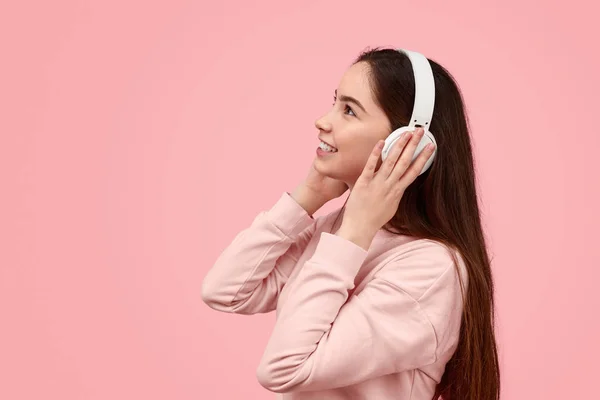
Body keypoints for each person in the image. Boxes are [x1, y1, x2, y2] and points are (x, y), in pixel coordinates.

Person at [201, 47, 500, 400]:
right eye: (334, 102)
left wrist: (355, 231)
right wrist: (308, 196)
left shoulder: (429, 270)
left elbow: (282, 368)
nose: (323, 121)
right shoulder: (339, 233)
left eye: (349, 110)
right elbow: (225, 290)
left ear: (406, 144)